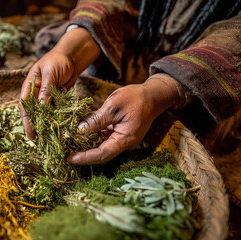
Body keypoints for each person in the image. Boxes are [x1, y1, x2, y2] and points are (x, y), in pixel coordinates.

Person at [19, 0, 241, 165]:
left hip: (203, 67)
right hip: (142, 35)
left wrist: (154, 95)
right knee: (49, 39)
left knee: (203, 132)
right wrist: (68, 51)